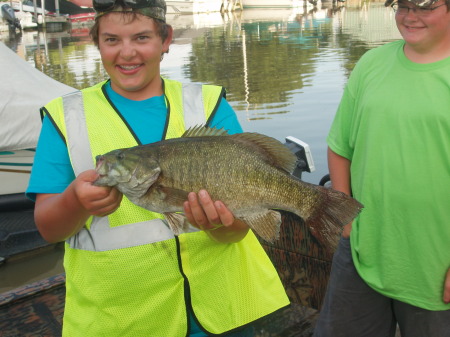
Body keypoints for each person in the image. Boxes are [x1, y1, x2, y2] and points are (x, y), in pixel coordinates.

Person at [26, 0, 290, 335]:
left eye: (141, 38)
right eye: (111, 40)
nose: (127, 53)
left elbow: (235, 231)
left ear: (165, 40)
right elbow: (49, 229)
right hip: (124, 320)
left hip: (224, 312)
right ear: (96, 42)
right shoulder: (65, 118)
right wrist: (75, 202)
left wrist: (217, 224)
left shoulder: (208, 105)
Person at [313, 0, 450, 336]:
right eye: (402, 6)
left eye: (424, 6)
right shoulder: (372, 63)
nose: (409, 16)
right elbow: (339, 147)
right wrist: (345, 221)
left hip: (435, 268)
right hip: (361, 253)